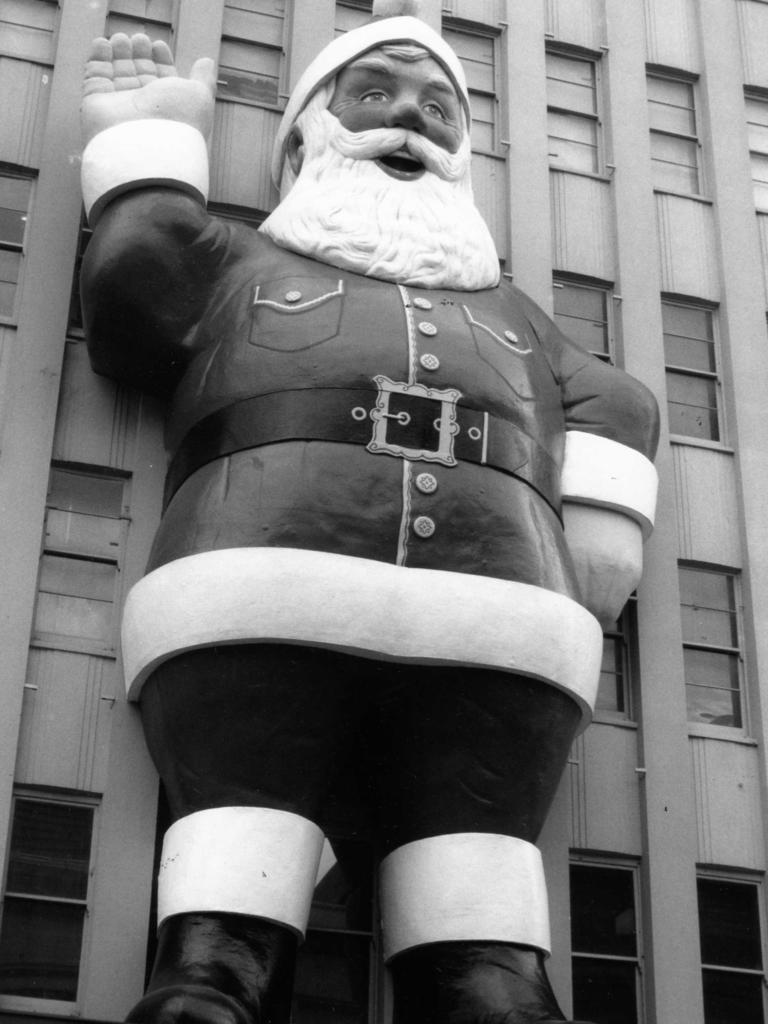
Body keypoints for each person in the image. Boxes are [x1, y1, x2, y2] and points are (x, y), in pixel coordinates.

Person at [79, 4, 659, 1023]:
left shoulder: (514, 314)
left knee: (476, 889)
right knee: (241, 839)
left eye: (438, 106)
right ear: (307, 134)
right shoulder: (243, 261)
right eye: (377, 94)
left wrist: (605, 514)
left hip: (498, 616)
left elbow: (617, 397)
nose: (410, 119)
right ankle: (217, 966)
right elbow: (136, 292)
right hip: (262, 581)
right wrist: (147, 141)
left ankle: (488, 982)